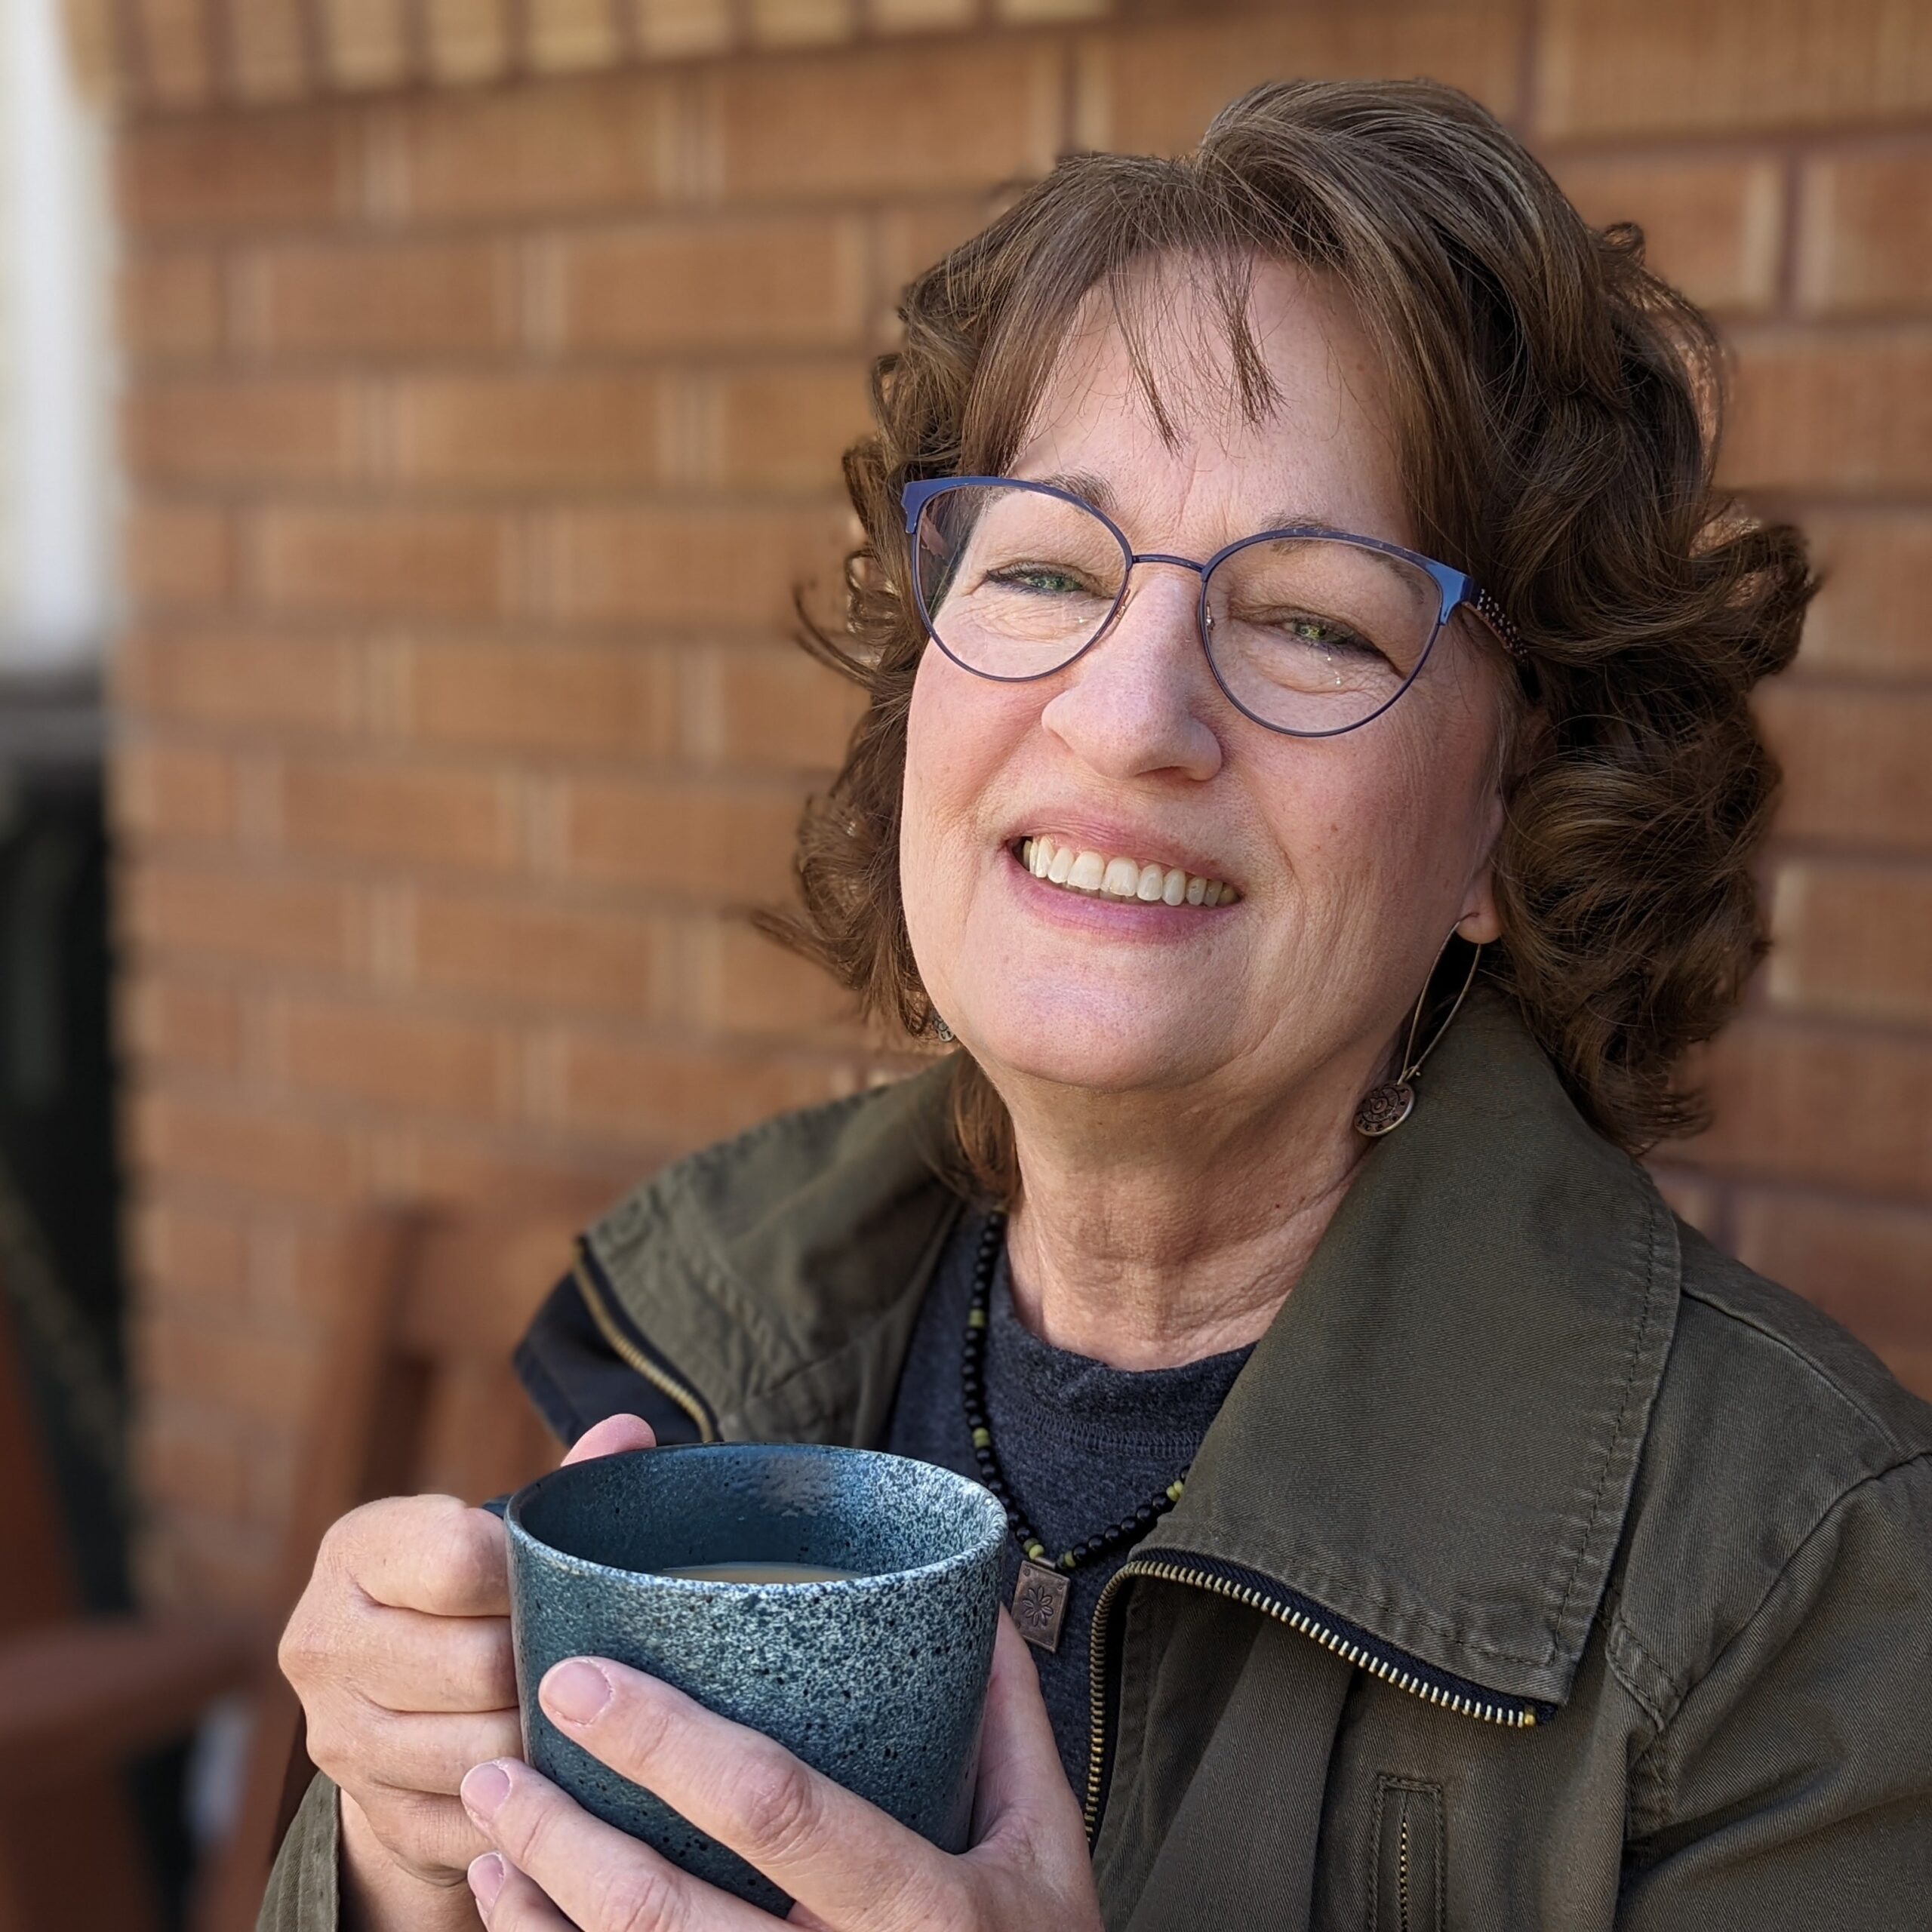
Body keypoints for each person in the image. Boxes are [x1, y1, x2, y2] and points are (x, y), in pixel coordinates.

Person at [264, 78, 1932, 1932]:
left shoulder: (1800, 1582)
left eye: (1312, 618)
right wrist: (402, 1862)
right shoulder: (704, 1338)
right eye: (1047, 570)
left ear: (1504, 824)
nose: (1127, 715)